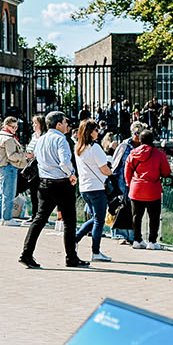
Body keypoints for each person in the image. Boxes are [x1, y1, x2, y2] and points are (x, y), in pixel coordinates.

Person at [20, 111, 86, 269]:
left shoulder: (41, 139)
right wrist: (71, 174)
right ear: (58, 124)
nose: (66, 125)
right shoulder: (61, 139)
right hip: (61, 183)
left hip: (44, 182)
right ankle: (71, 257)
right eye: (64, 122)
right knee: (70, 222)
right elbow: (64, 161)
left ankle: (26, 253)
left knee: (39, 219)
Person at [72, 120, 114, 261]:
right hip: (97, 187)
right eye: (95, 129)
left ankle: (75, 240)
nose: (98, 132)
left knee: (96, 218)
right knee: (99, 221)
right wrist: (111, 171)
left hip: (85, 187)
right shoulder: (95, 148)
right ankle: (95, 252)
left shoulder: (78, 148)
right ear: (90, 132)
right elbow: (104, 169)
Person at [125, 128, 172, 250]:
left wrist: (131, 184)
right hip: (153, 189)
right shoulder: (159, 154)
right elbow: (166, 171)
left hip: (136, 188)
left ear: (140, 140)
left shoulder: (133, 153)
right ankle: (152, 241)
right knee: (154, 216)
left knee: (136, 216)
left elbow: (127, 171)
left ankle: (137, 240)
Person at [0, 116, 31, 226]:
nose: (15, 129)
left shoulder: (1, 135)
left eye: (16, 127)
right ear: (7, 126)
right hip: (8, 167)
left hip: (0, 167)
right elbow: (12, 156)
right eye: (13, 127)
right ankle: (7, 219)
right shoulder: (8, 138)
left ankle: (2, 217)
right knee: (9, 194)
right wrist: (25, 156)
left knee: (2, 194)